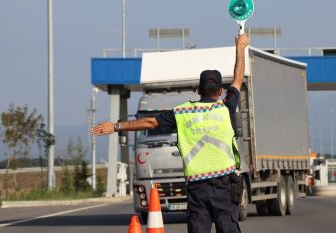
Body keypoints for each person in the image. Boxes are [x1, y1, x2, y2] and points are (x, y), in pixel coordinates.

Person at [91, 33, 249, 233]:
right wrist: (240, 47)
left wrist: (115, 126)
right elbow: (237, 79)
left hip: (197, 189)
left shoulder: (182, 113)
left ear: (198, 90)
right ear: (219, 92)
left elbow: (149, 122)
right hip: (224, 187)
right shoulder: (225, 108)